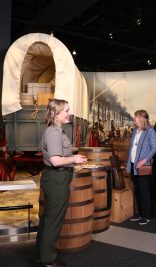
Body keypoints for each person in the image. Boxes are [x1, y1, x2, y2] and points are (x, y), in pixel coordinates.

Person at [36, 99, 87, 267]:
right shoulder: (53, 133)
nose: (69, 113)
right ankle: (48, 260)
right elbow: (56, 161)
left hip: (58, 178)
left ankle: (42, 255)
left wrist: (74, 159)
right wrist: (74, 158)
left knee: (49, 219)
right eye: (66, 110)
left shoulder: (58, 131)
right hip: (57, 179)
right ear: (56, 114)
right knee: (53, 220)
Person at [126, 110, 156, 225]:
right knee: (138, 190)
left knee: (144, 191)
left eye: (137, 117)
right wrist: (129, 164)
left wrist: (144, 160)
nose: (135, 119)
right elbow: (132, 148)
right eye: (135, 117)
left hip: (143, 166)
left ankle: (146, 215)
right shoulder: (135, 130)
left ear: (142, 119)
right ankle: (140, 214)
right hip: (134, 164)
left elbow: (154, 148)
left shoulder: (150, 131)